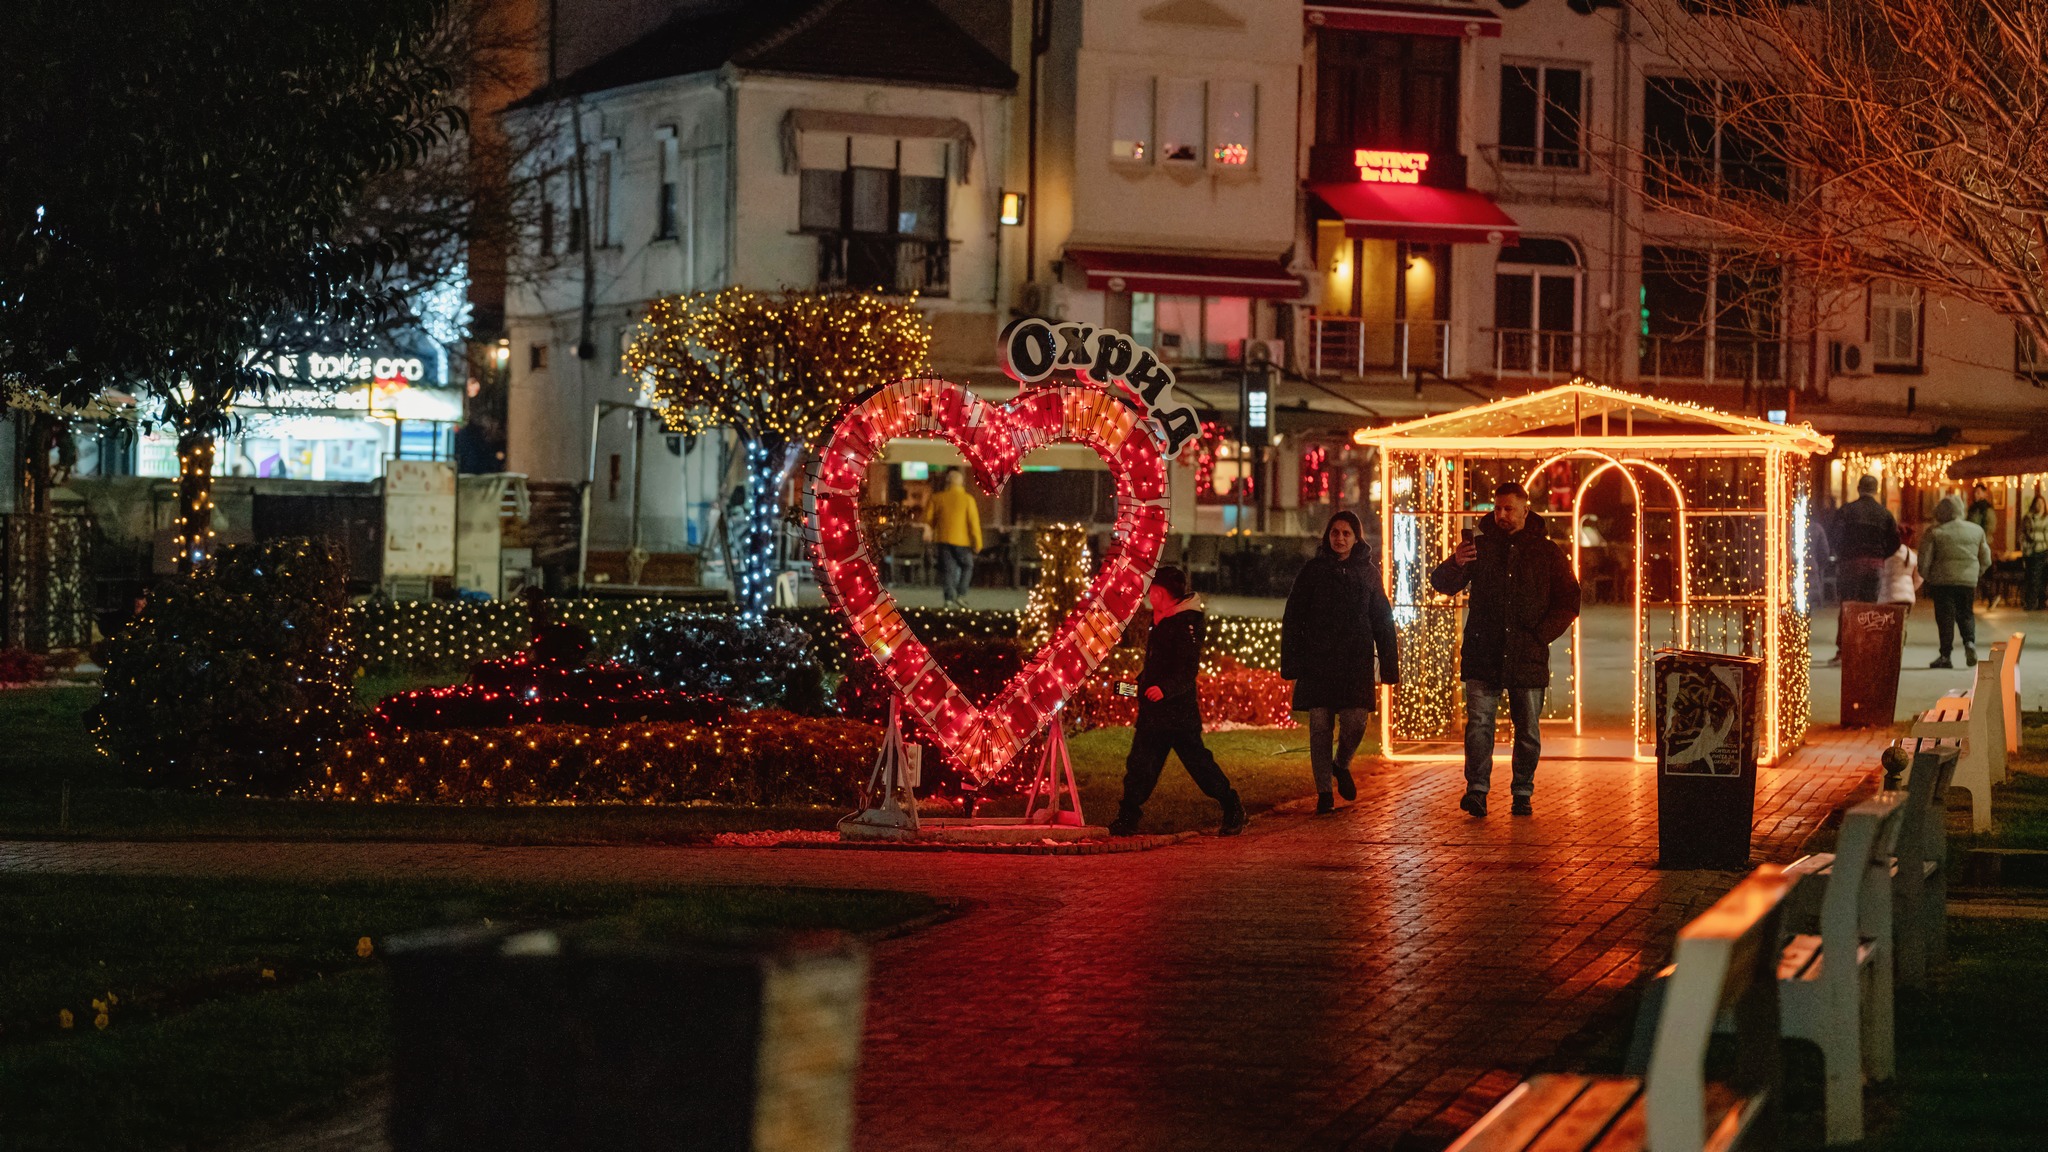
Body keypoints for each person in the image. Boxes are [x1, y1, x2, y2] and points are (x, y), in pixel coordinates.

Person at [1430, 482, 1580, 817]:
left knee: (1527, 729)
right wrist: (1455, 562)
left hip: (1527, 655)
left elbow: (1569, 600)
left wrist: (1540, 636)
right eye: (1497, 508)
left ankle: (1522, 791)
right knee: (1479, 724)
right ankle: (1477, 790)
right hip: (1484, 652)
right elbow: (1441, 583)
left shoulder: (1546, 552)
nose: (1501, 515)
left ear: (1525, 510)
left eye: (1508, 509)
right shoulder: (1480, 547)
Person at [1109, 566, 1247, 838]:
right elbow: (1159, 663)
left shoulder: (1185, 623)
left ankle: (1232, 806)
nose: (1149, 596)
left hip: (1178, 717)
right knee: (1139, 766)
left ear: (1161, 594)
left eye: (1152, 591)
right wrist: (1139, 684)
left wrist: (1165, 689)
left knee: (1200, 766)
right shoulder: (1162, 619)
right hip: (1154, 715)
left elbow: (1187, 669)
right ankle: (1128, 817)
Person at [1281, 511, 1400, 814]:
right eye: (1335, 532)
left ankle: (1341, 764)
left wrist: (1389, 665)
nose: (1340, 538)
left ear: (1356, 538)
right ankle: (1324, 792)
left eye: (1346, 533)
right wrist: (1292, 661)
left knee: (1355, 722)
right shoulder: (1313, 571)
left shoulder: (1368, 573)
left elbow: (1382, 619)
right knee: (1320, 727)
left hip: (1354, 664)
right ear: (1328, 535)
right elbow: (1294, 616)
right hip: (1318, 662)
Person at [1826, 474, 1901, 665]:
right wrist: (1881, 556)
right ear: (1876, 490)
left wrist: (1842, 553)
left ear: (1859, 489)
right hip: (1874, 566)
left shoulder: (1847, 510)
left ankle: (1844, 650)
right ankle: (1865, 650)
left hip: (1849, 564)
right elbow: (1895, 541)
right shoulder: (1884, 514)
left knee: (1847, 606)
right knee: (1869, 609)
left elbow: (1835, 535)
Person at [1919, 493, 1994, 667]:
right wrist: (1976, 573)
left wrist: (1927, 576)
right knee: (1966, 613)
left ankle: (1945, 656)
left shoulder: (1934, 532)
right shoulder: (1976, 530)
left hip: (1942, 581)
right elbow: (1986, 558)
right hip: (1967, 581)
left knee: (1945, 617)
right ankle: (1969, 642)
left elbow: (1925, 559)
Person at [923, 469, 982, 609]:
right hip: (962, 541)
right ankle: (961, 594)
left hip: (943, 539)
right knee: (967, 566)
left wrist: (929, 532)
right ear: (961, 483)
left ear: (947, 482)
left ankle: (949, 599)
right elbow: (973, 523)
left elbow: (928, 519)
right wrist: (978, 543)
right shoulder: (968, 499)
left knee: (948, 570)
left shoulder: (937, 498)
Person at [2022, 492, 2048, 612]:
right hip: (2032, 551)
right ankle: (2032, 602)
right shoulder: (2028, 518)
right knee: (2033, 577)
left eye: (2041, 503)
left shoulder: (2046, 519)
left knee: (2042, 577)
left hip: (2044, 550)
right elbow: (2024, 534)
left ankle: (2040, 601)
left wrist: (2036, 537)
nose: (2040, 505)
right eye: (2037, 503)